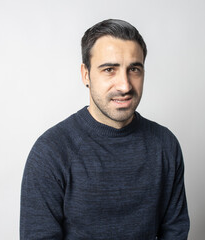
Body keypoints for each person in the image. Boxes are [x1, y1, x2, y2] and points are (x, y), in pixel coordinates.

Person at [20, 19, 190, 239]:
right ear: (85, 75)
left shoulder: (165, 145)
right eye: (109, 69)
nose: (125, 85)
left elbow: (175, 231)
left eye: (134, 69)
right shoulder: (51, 152)